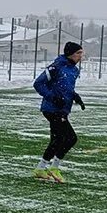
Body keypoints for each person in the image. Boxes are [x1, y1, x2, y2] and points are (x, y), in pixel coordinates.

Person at [32, 42, 86, 183]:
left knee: (57, 140)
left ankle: (40, 168)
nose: (81, 56)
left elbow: (65, 88)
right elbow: (38, 83)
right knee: (70, 138)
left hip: (62, 110)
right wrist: (52, 97)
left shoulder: (74, 70)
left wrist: (75, 96)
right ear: (70, 54)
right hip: (52, 109)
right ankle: (54, 167)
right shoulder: (56, 67)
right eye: (78, 53)